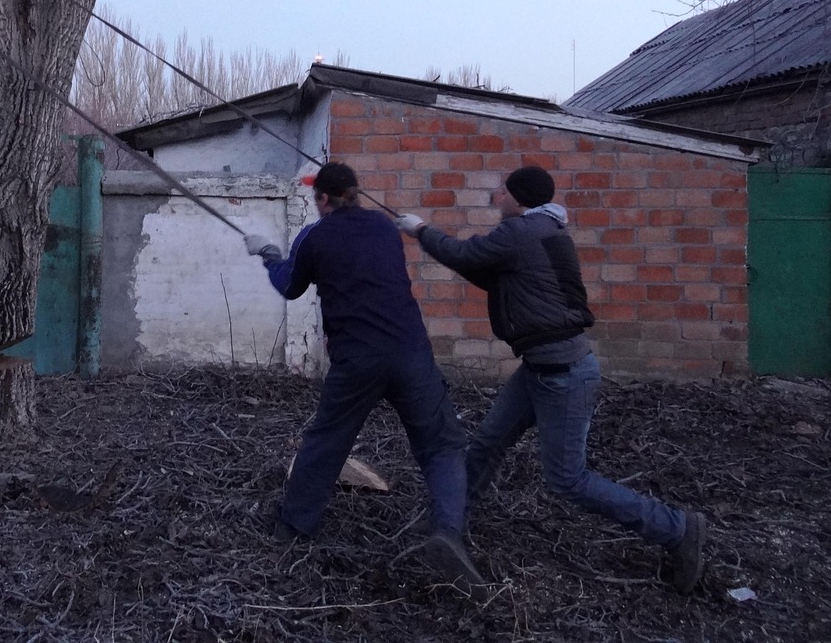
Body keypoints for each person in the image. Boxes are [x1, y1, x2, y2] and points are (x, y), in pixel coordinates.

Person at [395, 164, 707, 593]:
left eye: (502, 192)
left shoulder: (522, 231)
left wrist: (421, 230)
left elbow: (466, 256)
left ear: (518, 198)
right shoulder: (540, 231)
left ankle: (676, 529)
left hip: (563, 374)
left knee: (568, 480)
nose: (496, 198)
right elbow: (484, 271)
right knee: (488, 443)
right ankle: (447, 528)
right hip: (542, 369)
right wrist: (431, 238)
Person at [244, 161, 486, 594]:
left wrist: (268, 255)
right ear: (355, 193)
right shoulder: (383, 228)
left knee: (327, 441)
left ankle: (292, 530)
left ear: (322, 200)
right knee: (442, 444)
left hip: (357, 359)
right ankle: (448, 532)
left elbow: (290, 286)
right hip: (411, 352)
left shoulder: (316, 236)